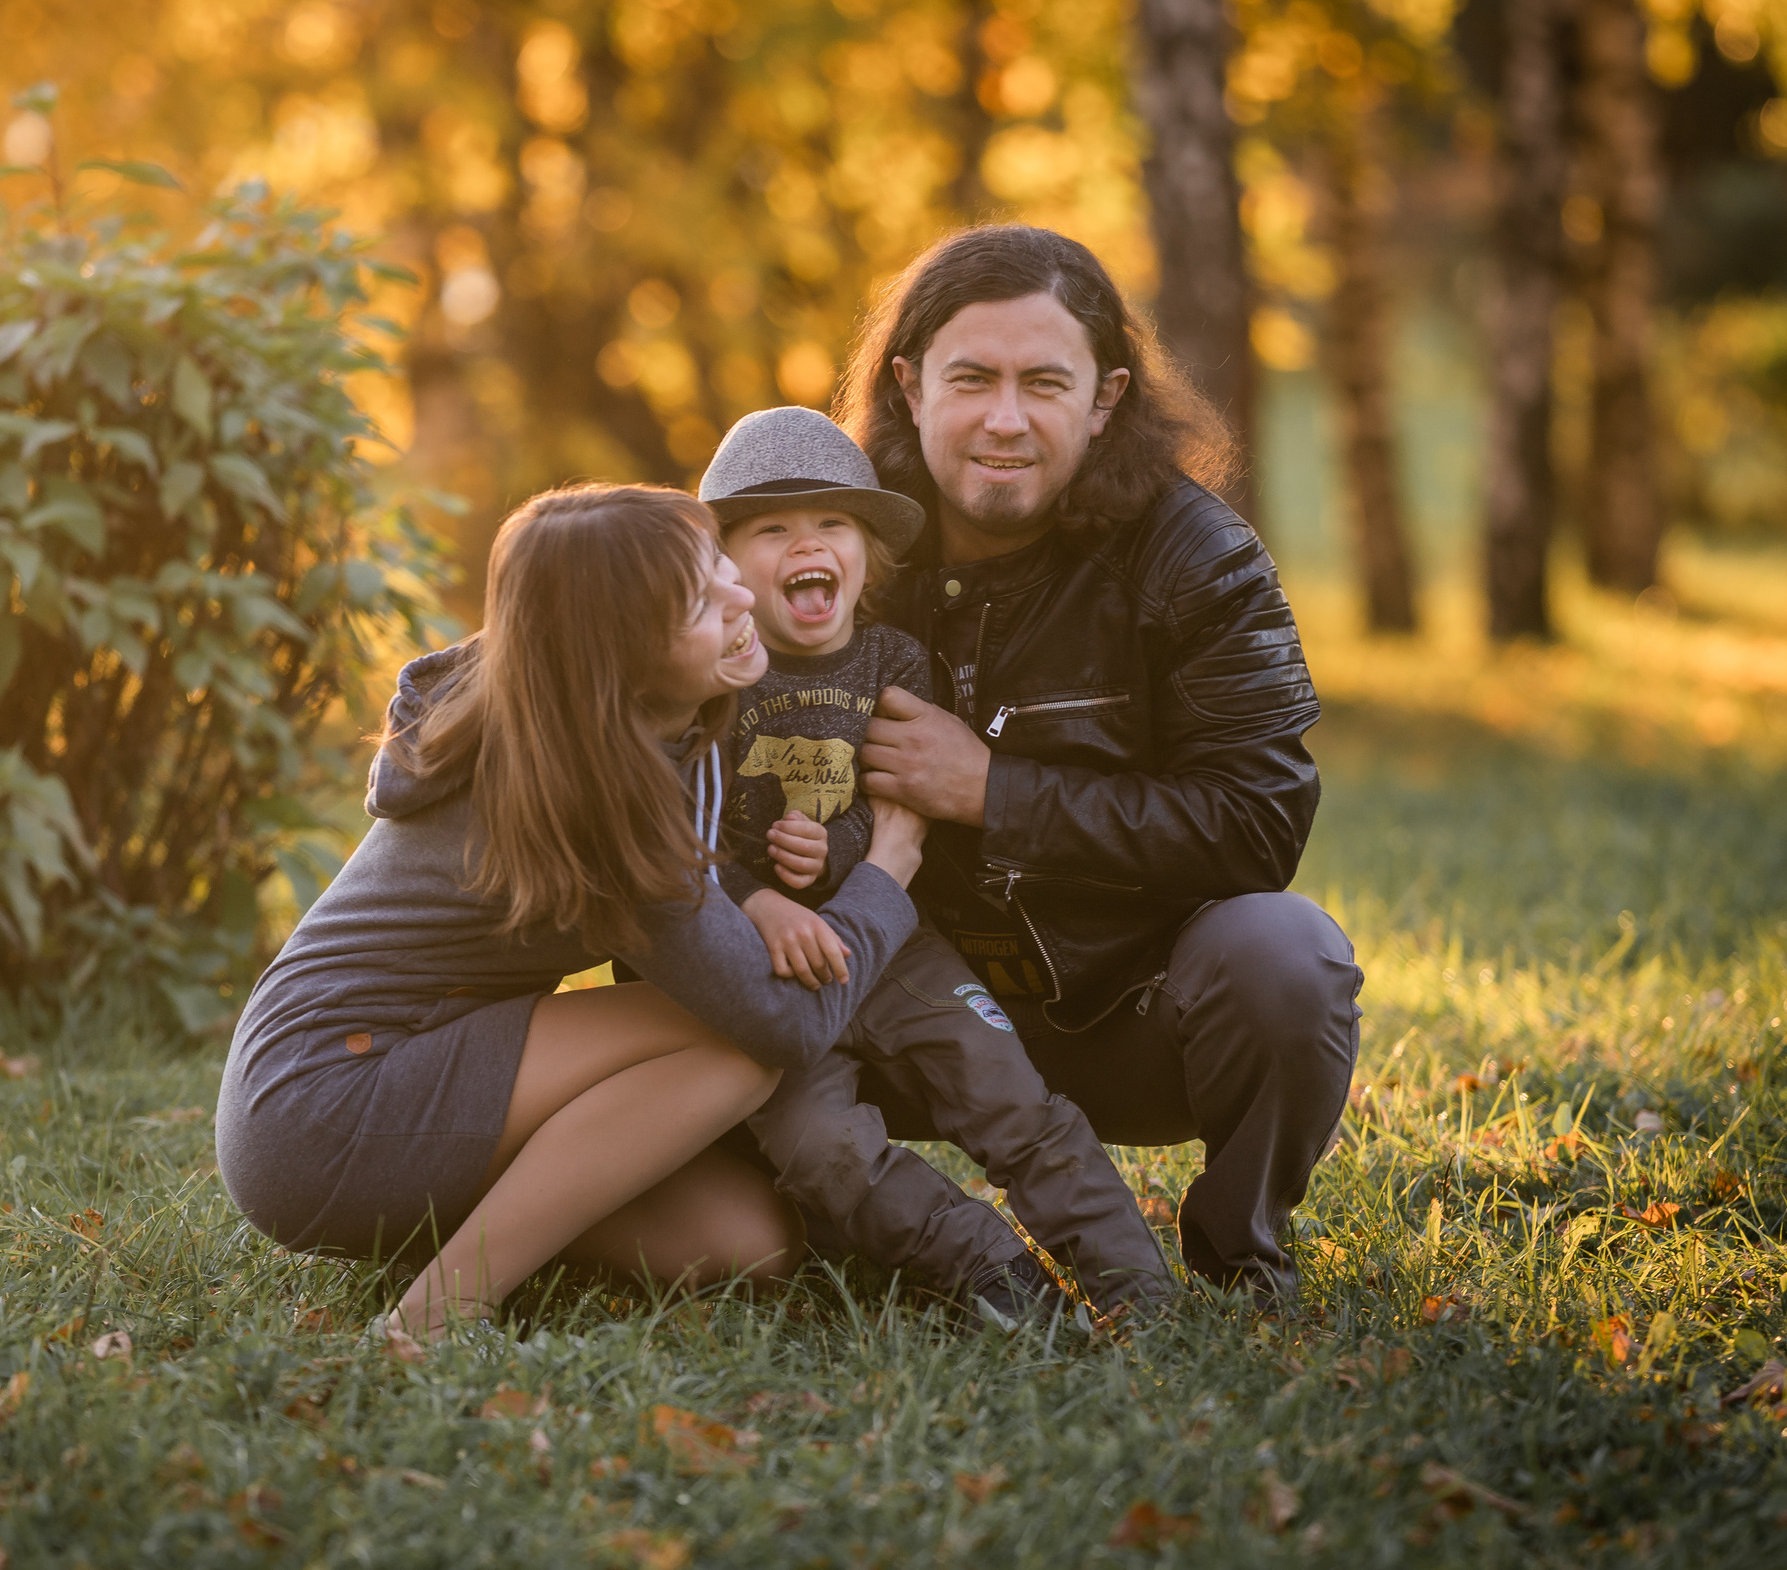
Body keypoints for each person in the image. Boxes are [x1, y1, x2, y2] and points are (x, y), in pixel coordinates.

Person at [215, 483, 930, 1342]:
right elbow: (782, 1024)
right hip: (325, 1097)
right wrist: (891, 865)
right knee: (737, 1052)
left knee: (744, 1243)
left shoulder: (597, 711)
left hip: (407, 1080)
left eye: (719, 570)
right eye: (704, 603)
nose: (743, 598)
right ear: (620, 656)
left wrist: (759, 902)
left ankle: (450, 1237)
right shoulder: (596, 796)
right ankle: (436, 1315)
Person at [844, 224, 1365, 1297]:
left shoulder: (1194, 554)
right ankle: (863, 1234)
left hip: (1127, 1014)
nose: (1004, 418)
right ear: (907, 386)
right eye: (971, 378)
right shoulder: (834, 551)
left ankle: (1238, 1252)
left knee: (1286, 956)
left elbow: (1260, 824)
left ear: (1106, 397)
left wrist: (993, 792)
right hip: (896, 1012)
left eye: (1044, 382)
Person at [695, 405, 1173, 1320]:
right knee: (819, 1147)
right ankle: (993, 1272)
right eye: (773, 529)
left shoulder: (893, 660)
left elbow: (907, 805)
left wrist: (831, 847)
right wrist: (758, 893)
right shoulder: (713, 680)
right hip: (773, 972)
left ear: (869, 555)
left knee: (1010, 1095)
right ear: (721, 567)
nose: (810, 543)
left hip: (901, 952)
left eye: (833, 523)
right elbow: (682, 841)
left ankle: (1136, 1289)